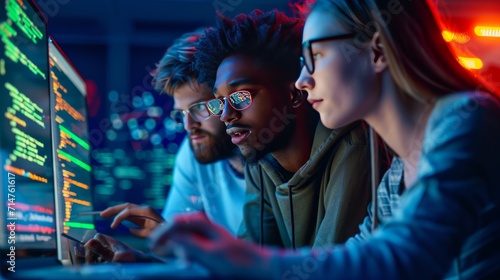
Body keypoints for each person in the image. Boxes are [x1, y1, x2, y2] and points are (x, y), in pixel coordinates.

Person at [149, 0, 500, 279]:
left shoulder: (467, 118)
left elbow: (407, 258)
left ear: (376, 51)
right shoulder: (396, 176)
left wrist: (245, 258)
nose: (302, 80)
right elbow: (356, 257)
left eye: (314, 57)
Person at [192, 9, 380, 249]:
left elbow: (327, 268)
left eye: (241, 96)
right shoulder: (259, 156)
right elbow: (250, 262)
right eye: (220, 102)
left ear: (294, 94)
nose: (226, 115)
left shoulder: (354, 147)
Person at [83, 28, 246, 262]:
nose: (189, 126)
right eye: (181, 114)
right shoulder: (193, 153)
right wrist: (140, 260)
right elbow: (179, 260)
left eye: (200, 108)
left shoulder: (268, 156)